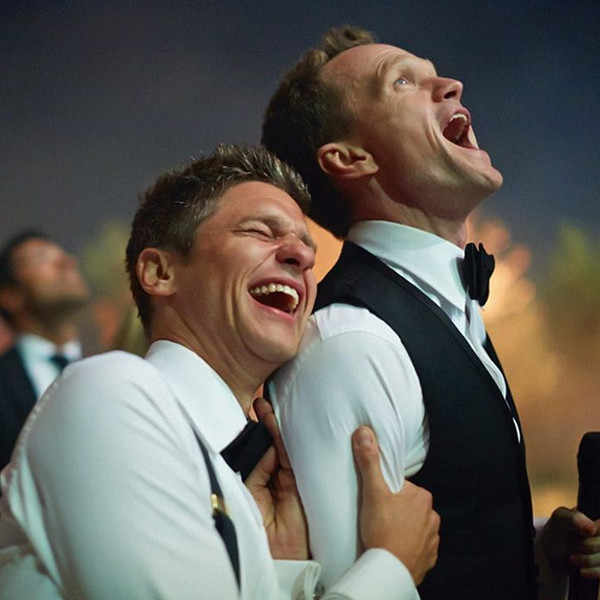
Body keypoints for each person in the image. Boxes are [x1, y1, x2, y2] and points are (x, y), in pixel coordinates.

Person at [0, 144, 440, 599]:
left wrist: (279, 571)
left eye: (307, 247)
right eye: (260, 231)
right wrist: (391, 568)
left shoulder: (241, 487)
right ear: (159, 271)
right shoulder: (106, 396)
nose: (302, 256)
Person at [262, 26, 600, 599]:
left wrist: (537, 550)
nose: (451, 84)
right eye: (401, 82)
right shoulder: (348, 344)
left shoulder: (446, 306)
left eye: (432, 72)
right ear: (350, 158)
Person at [0, 231, 90, 471]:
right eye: (41, 258)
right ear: (10, 296)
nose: (66, 262)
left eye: (63, 254)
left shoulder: (111, 365)